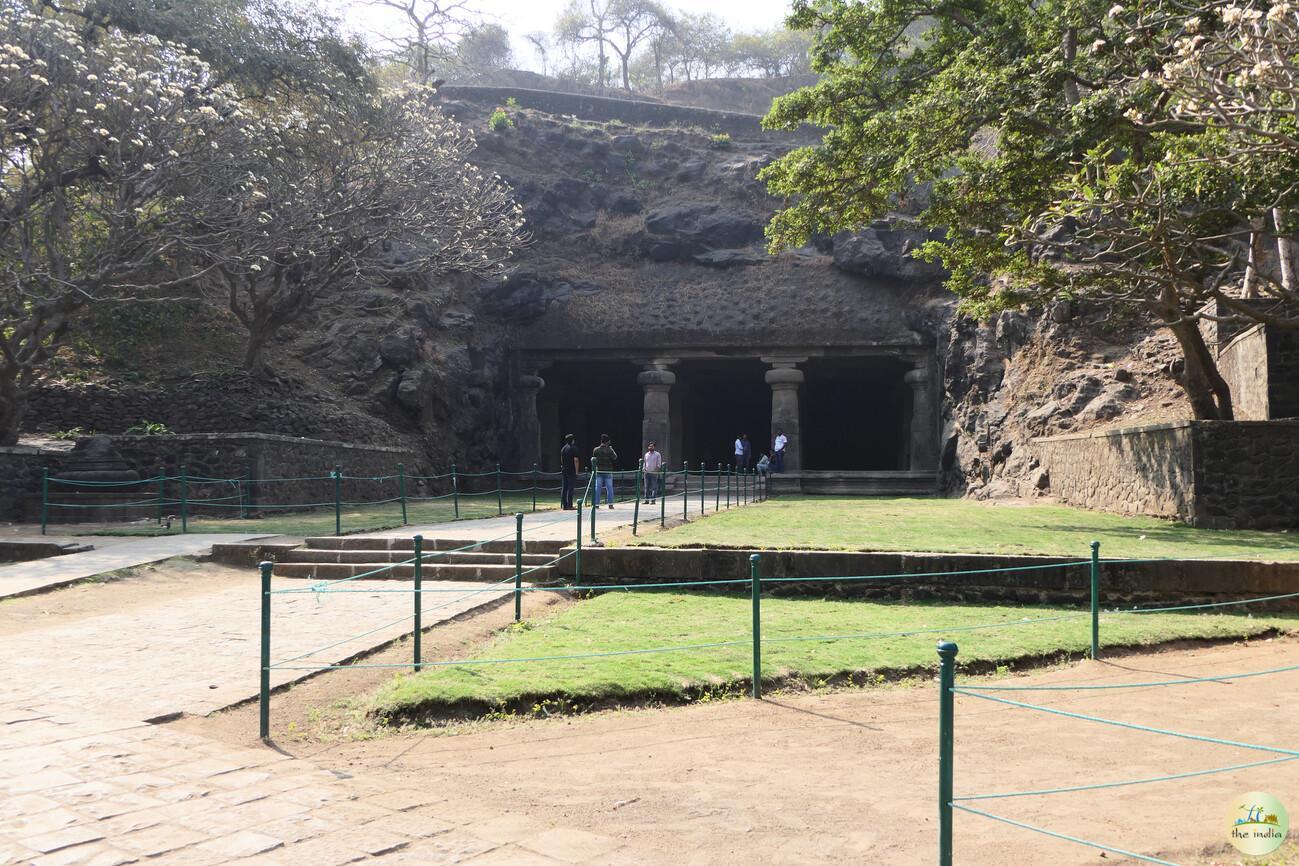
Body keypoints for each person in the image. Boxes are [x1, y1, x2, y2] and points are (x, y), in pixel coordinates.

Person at [591, 433, 618, 509]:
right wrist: (611, 449)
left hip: (599, 471)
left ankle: (596, 504)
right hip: (608, 471)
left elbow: (594, 459)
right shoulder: (609, 449)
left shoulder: (596, 449)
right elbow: (615, 457)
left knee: (597, 488)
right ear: (608, 442)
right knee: (609, 488)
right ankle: (610, 504)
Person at [559, 434, 579, 510]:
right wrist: (577, 471)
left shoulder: (563, 449)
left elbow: (561, 460)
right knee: (570, 488)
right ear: (572, 440)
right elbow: (576, 460)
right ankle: (570, 505)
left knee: (564, 488)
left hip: (564, 470)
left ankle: (564, 505)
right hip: (571, 470)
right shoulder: (574, 448)